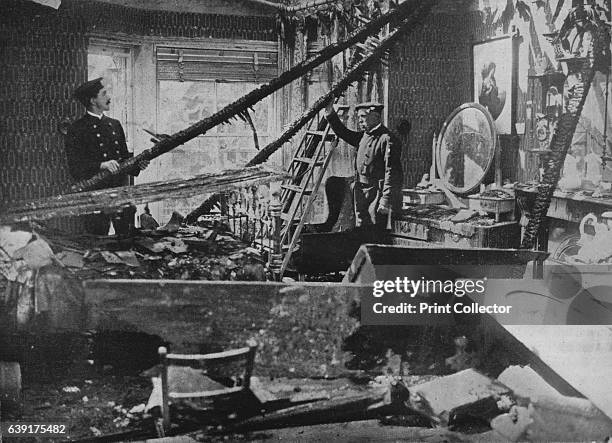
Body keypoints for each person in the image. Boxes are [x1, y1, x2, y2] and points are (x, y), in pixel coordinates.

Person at [65, 77, 149, 235]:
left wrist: (138, 165)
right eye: (104, 94)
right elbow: (75, 167)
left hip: (121, 193)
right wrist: (101, 165)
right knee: (98, 241)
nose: (109, 98)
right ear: (92, 100)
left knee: (126, 238)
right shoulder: (77, 129)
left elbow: (124, 159)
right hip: (95, 195)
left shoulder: (114, 124)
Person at [325, 100, 403, 227]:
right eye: (358, 117)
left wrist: (385, 200)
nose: (360, 120)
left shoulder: (388, 139)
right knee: (361, 228)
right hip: (361, 192)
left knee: (374, 230)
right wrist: (330, 113)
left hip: (376, 195)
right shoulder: (364, 136)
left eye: (363, 117)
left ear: (376, 117)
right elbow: (343, 133)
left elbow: (393, 173)